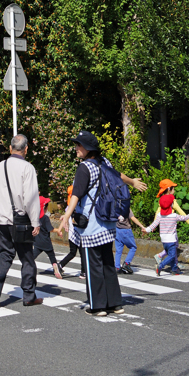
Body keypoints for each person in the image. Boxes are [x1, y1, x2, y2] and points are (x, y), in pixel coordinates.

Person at [57, 130, 147, 317]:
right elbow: (118, 176)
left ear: (87, 148)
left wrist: (67, 215)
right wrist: (132, 182)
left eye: (78, 145)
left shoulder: (84, 167)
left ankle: (98, 306)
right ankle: (115, 304)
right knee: (107, 263)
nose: (76, 148)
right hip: (107, 222)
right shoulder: (105, 162)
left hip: (90, 224)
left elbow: (76, 194)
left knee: (93, 266)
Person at [0, 134, 42, 307]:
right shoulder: (28, 168)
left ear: (10, 148)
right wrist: (35, 222)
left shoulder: (0, 166)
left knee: (5, 254)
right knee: (26, 257)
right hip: (19, 219)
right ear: (26, 149)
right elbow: (31, 198)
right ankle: (29, 295)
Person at [141, 192, 189, 275]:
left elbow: (153, 225)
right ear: (171, 206)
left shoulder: (160, 215)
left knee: (172, 253)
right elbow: (185, 217)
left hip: (164, 241)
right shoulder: (174, 216)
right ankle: (161, 266)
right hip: (171, 240)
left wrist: (146, 230)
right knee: (171, 255)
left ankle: (174, 269)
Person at [58, 185, 86, 278]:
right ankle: (83, 272)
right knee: (82, 252)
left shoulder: (68, 208)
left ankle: (60, 265)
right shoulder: (77, 207)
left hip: (72, 234)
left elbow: (64, 219)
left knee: (73, 253)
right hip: (78, 232)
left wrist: (60, 229)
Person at [33, 196, 63, 280]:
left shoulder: (34, 218)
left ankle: (28, 267)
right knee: (52, 257)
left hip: (37, 242)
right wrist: (58, 230)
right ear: (44, 208)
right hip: (46, 242)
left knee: (32, 256)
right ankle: (56, 270)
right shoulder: (45, 218)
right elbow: (51, 229)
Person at [115, 205, 144, 274]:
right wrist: (142, 226)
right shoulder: (126, 207)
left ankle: (117, 267)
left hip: (117, 230)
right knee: (133, 247)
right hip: (126, 230)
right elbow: (132, 218)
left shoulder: (115, 206)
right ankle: (126, 263)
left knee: (118, 250)